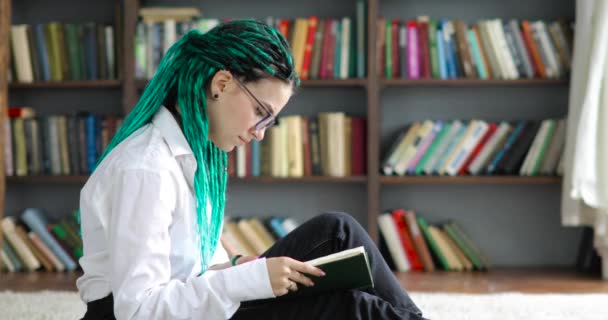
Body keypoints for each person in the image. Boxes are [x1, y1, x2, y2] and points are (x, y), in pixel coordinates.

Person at [76, 19, 426, 320]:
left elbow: (197, 269)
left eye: (269, 121)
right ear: (222, 84)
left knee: (338, 230)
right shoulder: (146, 169)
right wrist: (251, 280)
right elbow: (138, 310)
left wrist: (240, 267)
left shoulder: (194, 154)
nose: (260, 133)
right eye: (261, 112)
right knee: (349, 307)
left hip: (192, 302)